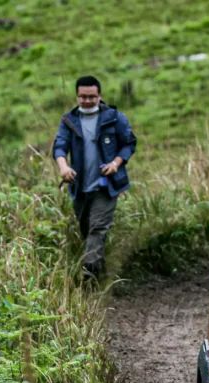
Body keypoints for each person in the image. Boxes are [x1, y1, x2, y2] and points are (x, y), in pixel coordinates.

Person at [52, 75, 137, 280]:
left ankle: (88, 276)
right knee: (87, 232)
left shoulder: (114, 118)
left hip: (106, 186)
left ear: (99, 96)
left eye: (91, 97)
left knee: (97, 228)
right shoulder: (68, 121)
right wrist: (64, 168)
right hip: (79, 186)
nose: (87, 101)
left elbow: (129, 143)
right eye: (83, 97)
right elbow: (59, 146)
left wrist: (115, 164)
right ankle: (101, 275)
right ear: (77, 97)